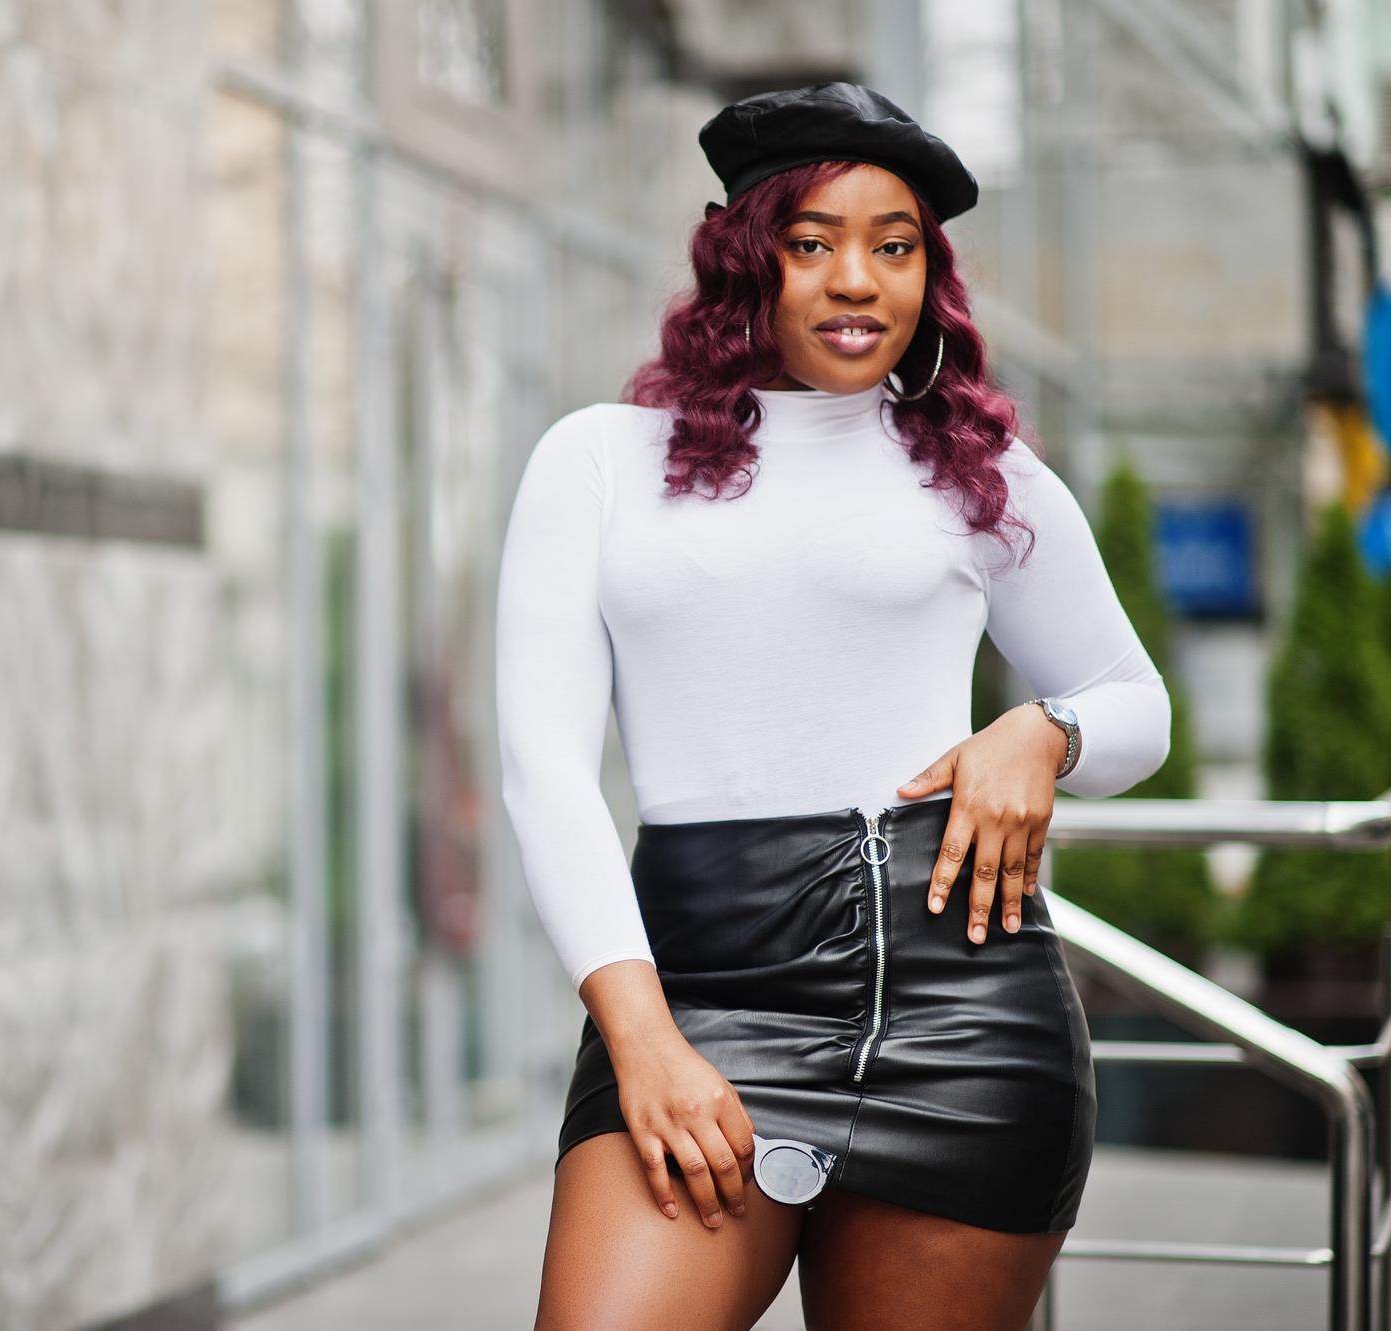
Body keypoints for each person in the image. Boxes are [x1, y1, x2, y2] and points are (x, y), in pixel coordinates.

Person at [494, 82, 1172, 1330]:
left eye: (893, 246)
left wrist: (1041, 729)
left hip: (960, 1013)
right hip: (695, 993)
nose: (856, 280)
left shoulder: (973, 468)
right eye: (813, 243)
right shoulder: (596, 459)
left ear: (929, 273)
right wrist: (639, 1039)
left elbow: (1134, 702)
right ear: (748, 262)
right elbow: (544, 771)